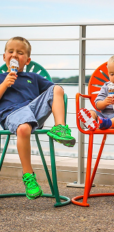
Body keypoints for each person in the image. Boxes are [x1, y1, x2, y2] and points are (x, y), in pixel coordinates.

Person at [0, 36, 76, 200]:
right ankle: (28, 176)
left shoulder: (33, 77)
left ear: (27, 60)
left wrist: (56, 93)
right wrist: (5, 84)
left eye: (20, 53)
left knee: (57, 88)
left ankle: (60, 128)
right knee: (24, 127)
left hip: (33, 111)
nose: (14, 55)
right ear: (4, 56)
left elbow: (56, 95)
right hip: (12, 114)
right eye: (10, 52)